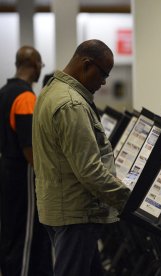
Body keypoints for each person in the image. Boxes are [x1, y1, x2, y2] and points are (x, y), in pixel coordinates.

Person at [32, 39, 131, 276]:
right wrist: (129, 200)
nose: (105, 81)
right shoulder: (71, 105)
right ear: (87, 65)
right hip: (75, 213)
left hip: (60, 207)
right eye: (103, 73)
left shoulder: (50, 91)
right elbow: (90, 171)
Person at [0, 46, 53, 276]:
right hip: (23, 176)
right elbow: (29, 148)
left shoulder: (4, 91)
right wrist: (46, 174)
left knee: (11, 234)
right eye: (40, 65)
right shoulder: (25, 97)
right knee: (27, 238)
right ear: (34, 66)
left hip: (7, 173)